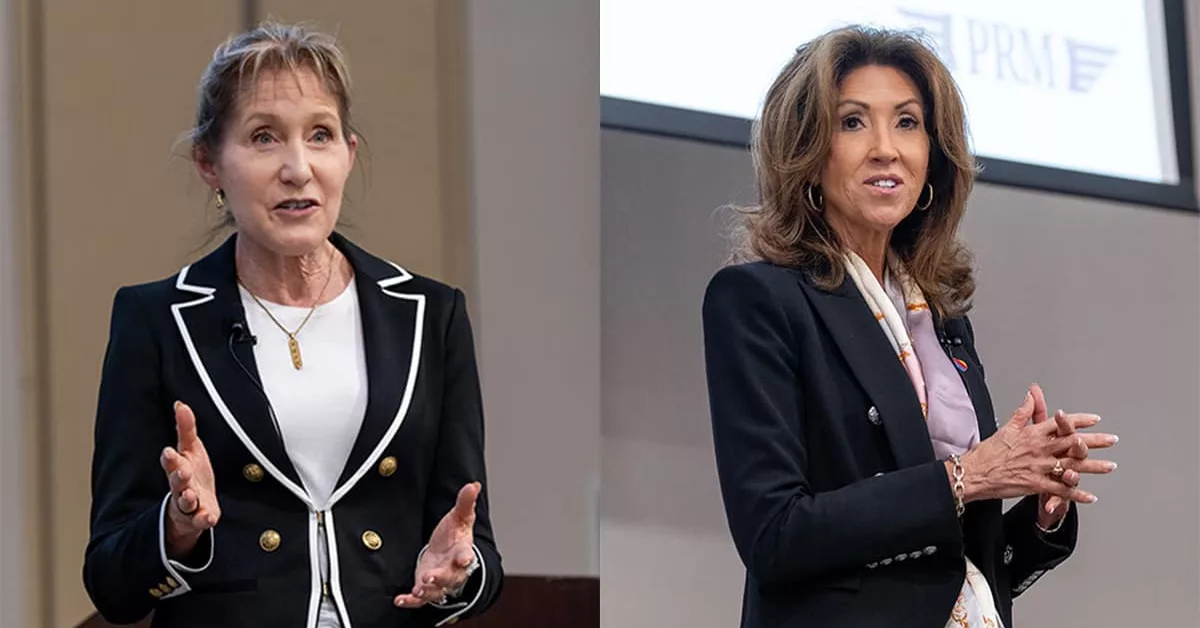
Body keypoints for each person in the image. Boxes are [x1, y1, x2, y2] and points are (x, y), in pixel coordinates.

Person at [83, 22, 502, 628]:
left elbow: (476, 547)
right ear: (209, 163)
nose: (298, 168)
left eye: (321, 135)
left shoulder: (430, 316)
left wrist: (457, 573)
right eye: (263, 138)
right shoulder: (156, 320)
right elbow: (110, 581)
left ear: (349, 154)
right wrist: (175, 528)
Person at [701, 26, 1118, 628]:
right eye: (852, 122)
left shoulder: (940, 320)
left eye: (907, 122)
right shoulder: (758, 300)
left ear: (933, 155)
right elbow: (776, 536)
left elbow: (954, 561)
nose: (885, 148)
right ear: (807, 153)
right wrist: (969, 475)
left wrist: (1040, 507)